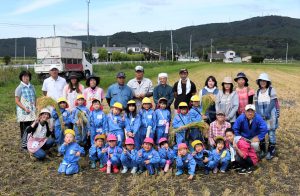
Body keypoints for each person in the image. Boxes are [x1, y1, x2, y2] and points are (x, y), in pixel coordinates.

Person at [254, 73, 279, 160]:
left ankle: (271, 150)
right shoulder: (257, 91)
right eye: (261, 81)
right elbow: (256, 104)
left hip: (270, 116)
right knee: (262, 133)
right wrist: (258, 114)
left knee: (271, 133)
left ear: (267, 82)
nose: (262, 82)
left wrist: (266, 113)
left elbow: (273, 102)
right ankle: (263, 150)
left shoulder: (271, 90)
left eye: (264, 81)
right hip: (261, 116)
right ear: (259, 82)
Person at [15, 70, 36, 150]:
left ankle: (31, 142)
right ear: (21, 78)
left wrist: (35, 107)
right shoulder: (19, 88)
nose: (26, 78)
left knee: (32, 126)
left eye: (27, 76)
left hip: (32, 110)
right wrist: (25, 108)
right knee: (25, 128)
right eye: (24, 76)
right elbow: (17, 101)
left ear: (29, 77)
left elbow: (35, 98)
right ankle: (24, 145)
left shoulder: (32, 86)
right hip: (23, 111)